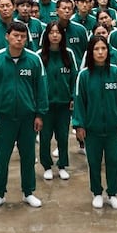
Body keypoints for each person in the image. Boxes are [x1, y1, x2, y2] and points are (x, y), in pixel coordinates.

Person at [0, 21, 48, 209]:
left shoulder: (34, 60)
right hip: (3, 118)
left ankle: (28, 192)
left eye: (22, 36)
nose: (19, 39)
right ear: (7, 36)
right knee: (2, 157)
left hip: (28, 118)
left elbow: (41, 89)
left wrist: (39, 114)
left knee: (28, 156)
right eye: (15, 36)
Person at [72, 35, 117, 210]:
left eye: (103, 49)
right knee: (94, 162)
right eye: (96, 49)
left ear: (108, 51)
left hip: (114, 128)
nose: (100, 52)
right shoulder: (84, 75)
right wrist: (79, 125)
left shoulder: (116, 73)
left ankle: (112, 193)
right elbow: (79, 102)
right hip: (92, 129)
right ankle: (97, 192)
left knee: (114, 161)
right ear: (90, 52)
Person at [37, 21, 76, 181]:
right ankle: (47, 165)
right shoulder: (39, 55)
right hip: (45, 106)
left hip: (64, 105)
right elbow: (36, 81)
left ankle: (62, 165)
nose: (54, 35)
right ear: (46, 35)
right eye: (51, 32)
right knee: (45, 137)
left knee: (62, 136)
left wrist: (73, 97)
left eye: (58, 32)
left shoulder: (69, 54)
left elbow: (75, 77)